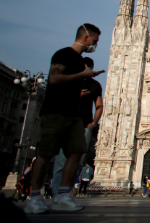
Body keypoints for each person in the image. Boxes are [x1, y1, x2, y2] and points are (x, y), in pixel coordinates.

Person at [23, 24, 104, 215]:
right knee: (45, 155)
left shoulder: (79, 60)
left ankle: (62, 194)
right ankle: (34, 197)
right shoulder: (63, 55)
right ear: (86, 38)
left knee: (77, 152)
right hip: (55, 111)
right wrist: (81, 76)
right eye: (95, 40)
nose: (96, 44)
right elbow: (53, 79)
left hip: (74, 115)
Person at [52, 56, 104, 199]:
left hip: (84, 126)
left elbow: (99, 105)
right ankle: (58, 194)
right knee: (62, 159)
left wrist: (93, 123)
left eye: (88, 69)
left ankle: (65, 193)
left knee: (78, 161)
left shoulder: (95, 85)